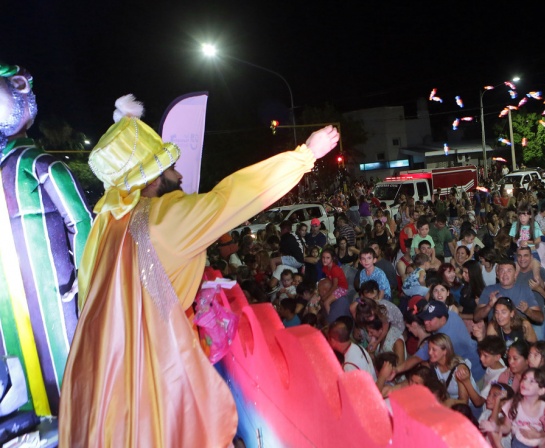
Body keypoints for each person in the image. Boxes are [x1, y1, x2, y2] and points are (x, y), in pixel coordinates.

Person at [59, 94, 339, 446]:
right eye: (170, 165)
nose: (179, 171)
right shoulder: (163, 220)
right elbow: (230, 198)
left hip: (107, 375)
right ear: (153, 177)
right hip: (158, 369)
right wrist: (305, 156)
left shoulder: (107, 224)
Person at [0, 63, 93, 416]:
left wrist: (84, 287)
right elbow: (84, 225)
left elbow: (83, 226)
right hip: (24, 305)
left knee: (62, 376)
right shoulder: (39, 165)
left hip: (57, 299)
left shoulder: (41, 165)